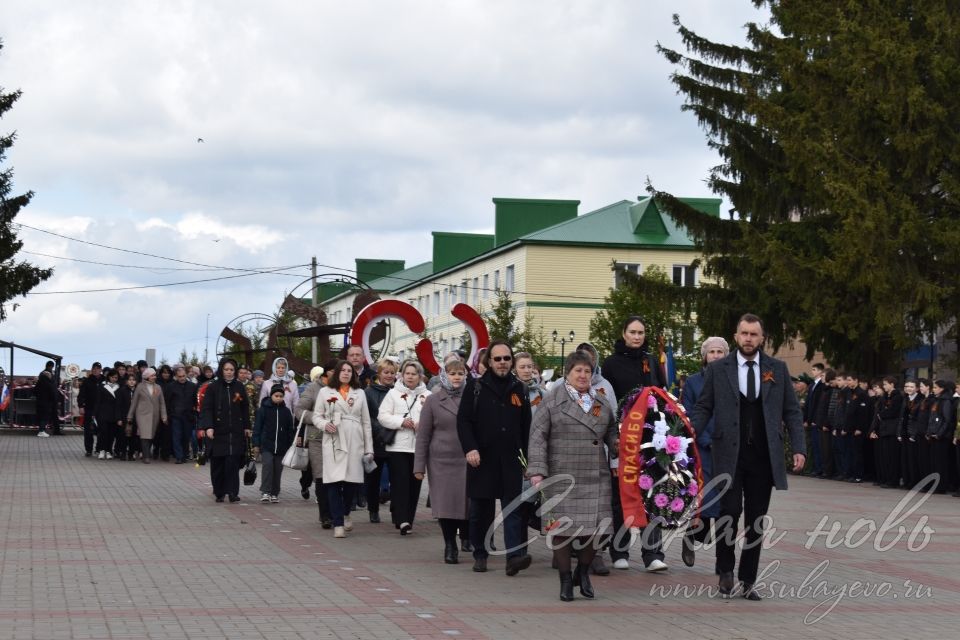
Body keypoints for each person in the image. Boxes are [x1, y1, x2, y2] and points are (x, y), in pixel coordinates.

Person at [688, 313, 805, 601]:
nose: (749, 338)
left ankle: (748, 579)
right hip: (728, 455)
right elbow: (704, 407)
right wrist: (686, 436)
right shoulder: (719, 370)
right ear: (736, 336)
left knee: (756, 519)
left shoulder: (776, 368)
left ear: (762, 338)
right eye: (744, 333)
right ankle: (725, 570)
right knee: (728, 513)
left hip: (763, 457)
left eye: (754, 334)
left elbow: (791, 410)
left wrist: (799, 447)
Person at [527, 350, 619, 602]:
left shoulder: (600, 402)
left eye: (587, 371)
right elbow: (537, 436)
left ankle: (583, 571)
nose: (583, 375)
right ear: (567, 373)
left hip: (595, 474)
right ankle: (566, 581)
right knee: (563, 531)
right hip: (561, 475)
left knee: (598, 529)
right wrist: (536, 470)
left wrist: (618, 444)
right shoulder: (552, 400)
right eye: (578, 370)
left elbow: (611, 430)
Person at [457, 340, 532, 575]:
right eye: (497, 358)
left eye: (507, 358)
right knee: (481, 510)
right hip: (482, 459)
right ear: (489, 361)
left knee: (513, 510)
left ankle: (513, 558)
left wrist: (528, 459)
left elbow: (526, 426)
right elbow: (463, 421)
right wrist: (470, 448)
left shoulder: (519, 388)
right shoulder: (475, 387)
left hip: (510, 459)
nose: (502, 363)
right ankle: (480, 552)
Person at [600, 316, 667, 572]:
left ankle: (653, 553)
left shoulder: (650, 361)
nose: (637, 336)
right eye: (632, 332)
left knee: (652, 494)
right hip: (624, 440)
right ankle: (619, 550)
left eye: (641, 332)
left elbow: (661, 394)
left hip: (651, 439)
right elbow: (607, 401)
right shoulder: (611, 363)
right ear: (624, 333)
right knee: (622, 495)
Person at [679, 336, 729, 570]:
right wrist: (707, 438)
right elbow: (690, 413)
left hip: (728, 450)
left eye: (720, 352)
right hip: (702, 450)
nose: (716, 356)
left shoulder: (733, 381)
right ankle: (692, 535)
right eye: (712, 352)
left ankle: (722, 559)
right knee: (704, 498)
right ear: (705, 356)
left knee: (726, 504)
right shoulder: (693, 382)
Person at [415, 357, 470, 564]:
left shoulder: (473, 397)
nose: (457, 377)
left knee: (466, 503)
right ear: (444, 375)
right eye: (453, 373)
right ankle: (449, 544)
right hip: (441, 461)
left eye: (460, 373)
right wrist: (419, 466)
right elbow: (423, 435)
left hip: (467, 459)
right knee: (445, 506)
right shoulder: (433, 400)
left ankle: (466, 537)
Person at [312, 360, 374, 538]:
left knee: (351, 483)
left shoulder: (360, 393)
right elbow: (317, 416)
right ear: (337, 372)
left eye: (350, 371)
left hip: (355, 440)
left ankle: (346, 512)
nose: (346, 373)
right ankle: (338, 523)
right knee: (333, 481)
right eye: (343, 370)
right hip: (333, 440)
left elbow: (366, 422)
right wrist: (325, 424)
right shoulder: (325, 392)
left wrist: (369, 448)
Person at [378, 359, 431, 535]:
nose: (410, 377)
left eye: (413, 374)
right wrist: (402, 422)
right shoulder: (393, 394)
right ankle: (402, 520)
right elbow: (383, 416)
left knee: (415, 485)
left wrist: (421, 424)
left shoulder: (428, 395)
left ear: (420, 376)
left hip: (419, 447)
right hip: (398, 447)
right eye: (407, 373)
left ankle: (409, 518)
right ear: (402, 375)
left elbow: (433, 419)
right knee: (400, 484)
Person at [200, 358, 251, 502]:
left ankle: (233, 492)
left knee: (233, 463)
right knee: (218, 464)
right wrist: (208, 426)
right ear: (222, 370)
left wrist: (247, 426)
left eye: (231, 370)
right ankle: (219, 491)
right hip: (218, 432)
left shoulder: (239, 387)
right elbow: (207, 409)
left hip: (235, 431)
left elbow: (245, 407)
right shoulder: (213, 387)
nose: (229, 372)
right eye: (226, 370)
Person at [364, 359, 397, 524]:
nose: (389, 376)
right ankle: (373, 510)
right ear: (379, 374)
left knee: (397, 478)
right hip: (376, 441)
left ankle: (396, 509)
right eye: (386, 372)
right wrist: (381, 429)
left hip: (395, 441)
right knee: (373, 479)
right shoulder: (369, 392)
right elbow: (367, 416)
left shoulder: (399, 392)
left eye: (392, 372)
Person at [253, 383, 296, 503]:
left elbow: (289, 429)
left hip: (281, 446)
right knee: (267, 466)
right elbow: (257, 427)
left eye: (281, 396)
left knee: (278, 469)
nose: (278, 398)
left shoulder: (286, 411)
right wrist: (256, 444)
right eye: (276, 395)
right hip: (267, 444)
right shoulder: (263, 410)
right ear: (271, 395)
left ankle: (274, 492)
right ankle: (265, 491)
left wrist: (289, 445)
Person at [294, 365, 325, 501]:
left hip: (327, 435)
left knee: (320, 468)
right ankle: (305, 485)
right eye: (317, 377)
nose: (320, 379)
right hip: (310, 433)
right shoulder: (309, 389)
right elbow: (300, 413)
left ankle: (321, 495)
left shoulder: (330, 390)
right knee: (307, 466)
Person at [126, 367, 168, 464]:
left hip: (154, 415)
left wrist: (164, 415)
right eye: (152, 375)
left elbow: (162, 403)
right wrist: (130, 416)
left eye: (154, 375)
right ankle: (146, 456)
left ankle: (146, 453)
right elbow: (134, 402)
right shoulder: (140, 387)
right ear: (147, 377)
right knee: (145, 434)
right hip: (142, 414)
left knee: (151, 435)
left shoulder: (158, 387)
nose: (154, 377)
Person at [925, 379, 956, 494]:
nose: (933, 390)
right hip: (933, 435)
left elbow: (947, 420)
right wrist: (929, 432)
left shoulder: (946, 401)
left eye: (935, 387)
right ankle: (935, 485)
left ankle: (941, 486)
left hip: (941, 437)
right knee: (933, 461)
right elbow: (932, 418)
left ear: (942, 388)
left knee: (940, 463)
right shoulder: (936, 400)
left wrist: (939, 434)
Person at [872, 376, 903, 488]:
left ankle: (893, 480)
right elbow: (881, 410)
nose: (884, 386)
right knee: (885, 457)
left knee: (892, 457)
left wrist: (882, 414)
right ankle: (885, 478)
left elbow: (892, 412)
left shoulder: (897, 397)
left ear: (892, 384)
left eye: (885, 384)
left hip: (892, 430)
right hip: (884, 429)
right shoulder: (885, 396)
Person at [166, 367, 198, 464]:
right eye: (179, 376)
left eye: (183, 376)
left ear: (186, 375)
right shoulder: (171, 386)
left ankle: (184, 455)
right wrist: (169, 414)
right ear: (176, 376)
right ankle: (179, 457)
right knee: (176, 436)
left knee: (186, 437)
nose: (182, 378)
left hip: (188, 416)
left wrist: (194, 411)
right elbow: (168, 401)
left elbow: (195, 401)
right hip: (176, 415)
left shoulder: (192, 386)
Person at [803, 363, 826, 476]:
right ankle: (816, 467)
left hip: (817, 420)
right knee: (814, 446)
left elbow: (819, 405)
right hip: (811, 420)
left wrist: (816, 419)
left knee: (819, 445)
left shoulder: (821, 386)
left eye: (814, 369)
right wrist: (806, 418)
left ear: (821, 372)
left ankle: (820, 468)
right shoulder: (812, 385)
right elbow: (808, 404)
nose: (812, 371)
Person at [94, 368, 123, 459]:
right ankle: (102, 450)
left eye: (116, 377)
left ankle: (109, 450)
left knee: (111, 434)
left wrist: (119, 416)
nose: (115, 379)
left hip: (114, 414)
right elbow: (98, 401)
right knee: (103, 433)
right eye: (113, 377)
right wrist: (95, 413)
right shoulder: (102, 386)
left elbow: (120, 403)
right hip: (102, 413)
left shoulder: (119, 388)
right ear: (109, 377)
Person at [898, 379, 921, 489]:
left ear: (916, 388)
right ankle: (906, 480)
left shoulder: (920, 400)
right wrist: (899, 433)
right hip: (904, 432)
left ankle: (913, 481)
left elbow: (918, 420)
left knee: (913, 459)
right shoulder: (905, 399)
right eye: (907, 386)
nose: (908, 388)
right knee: (904, 458)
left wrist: (914, 434)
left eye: (911, 387)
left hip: (913, 433)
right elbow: (901, 418)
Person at [77, 362, 103, 457]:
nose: (96, 370)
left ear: (101, 370)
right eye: (94, 368)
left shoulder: (104, 381)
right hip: (89, 409)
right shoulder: (87, 381)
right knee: (88, 431)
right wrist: (81, 406)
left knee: (101, 430)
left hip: (101, 410)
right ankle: (89, 449)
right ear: (92, 369)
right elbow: (81, 395)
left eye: (98, 368)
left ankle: (99, 448)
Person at [35, 360, 58, 437]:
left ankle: (41, 430)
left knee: (41, 415)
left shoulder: (41, 374)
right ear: (51, 366)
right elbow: (51, 388)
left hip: (40, 399)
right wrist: (54, 398)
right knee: (45, 415)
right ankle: (41, 431)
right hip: (47, 399)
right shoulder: (48, 374)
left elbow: (36, 388)